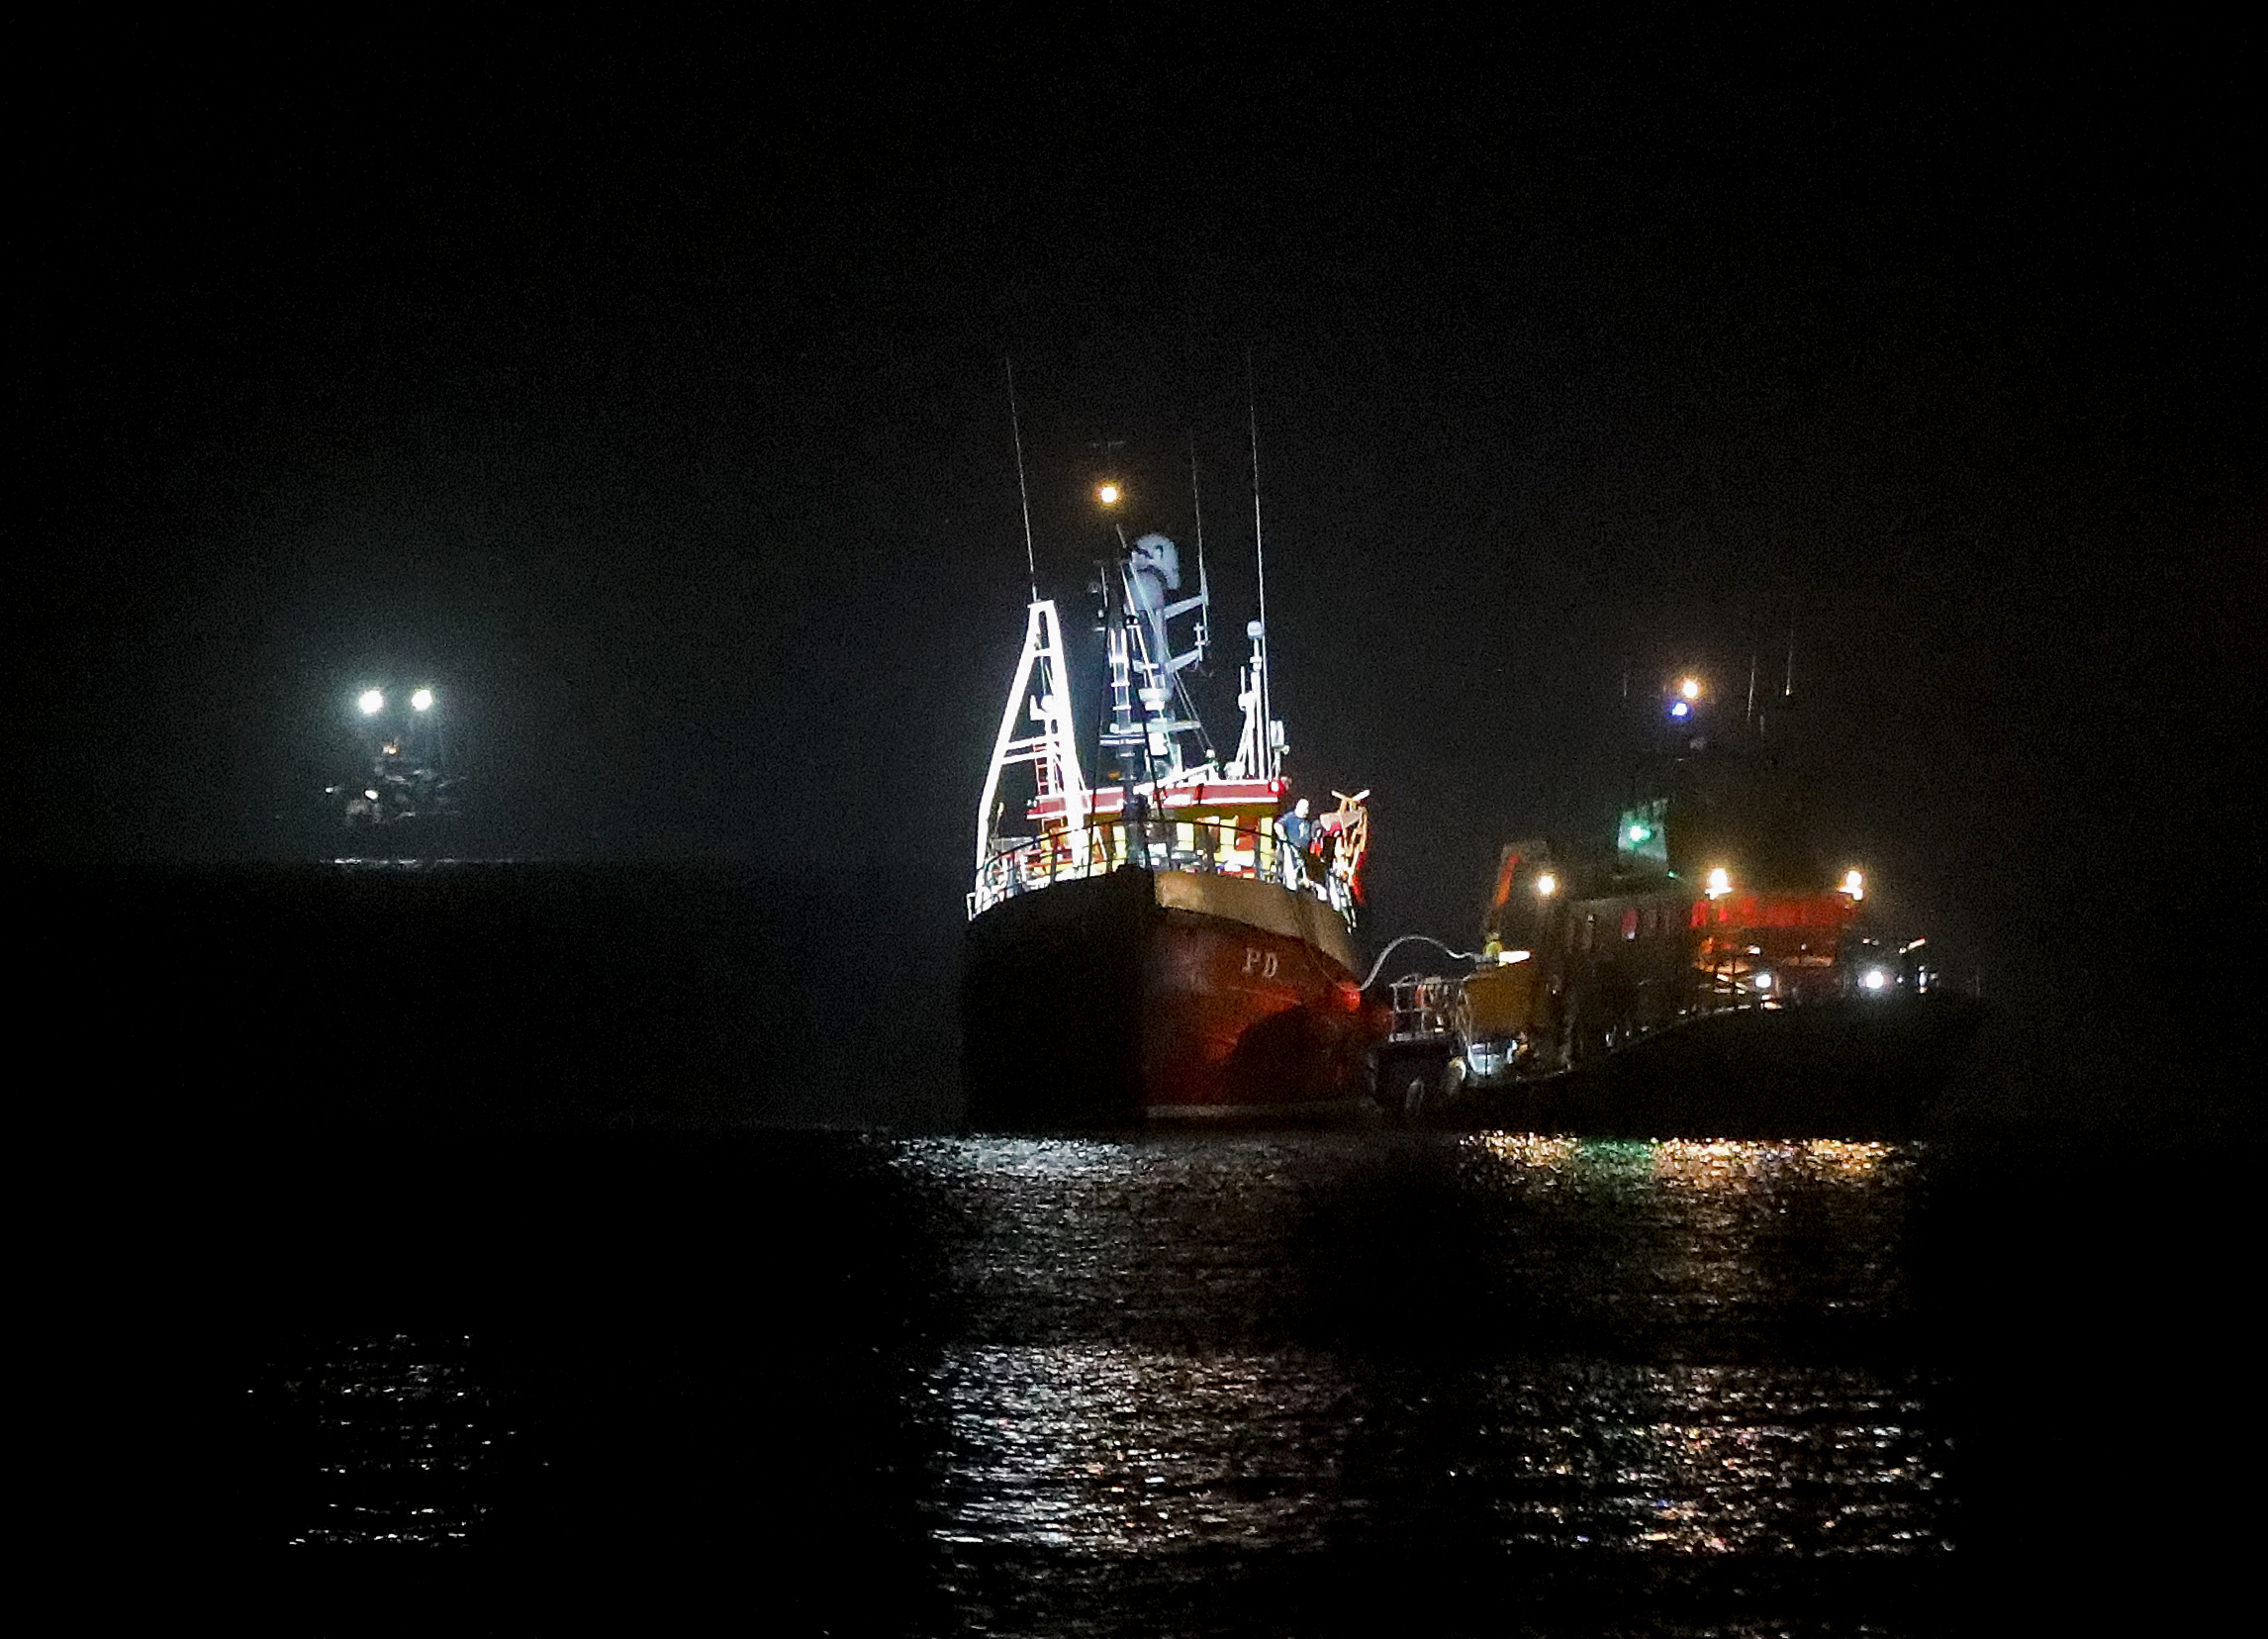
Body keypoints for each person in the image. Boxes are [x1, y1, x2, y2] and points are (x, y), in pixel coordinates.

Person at [1273, 798, 1314, 889]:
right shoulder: (1290, 817)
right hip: (1290, 850)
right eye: (1305, 809)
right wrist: (1283, 837)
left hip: (1303, 852)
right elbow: (1277, 825)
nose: (1307, 812)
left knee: (1302, 868)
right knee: (1290, 869)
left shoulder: (1307, 821)